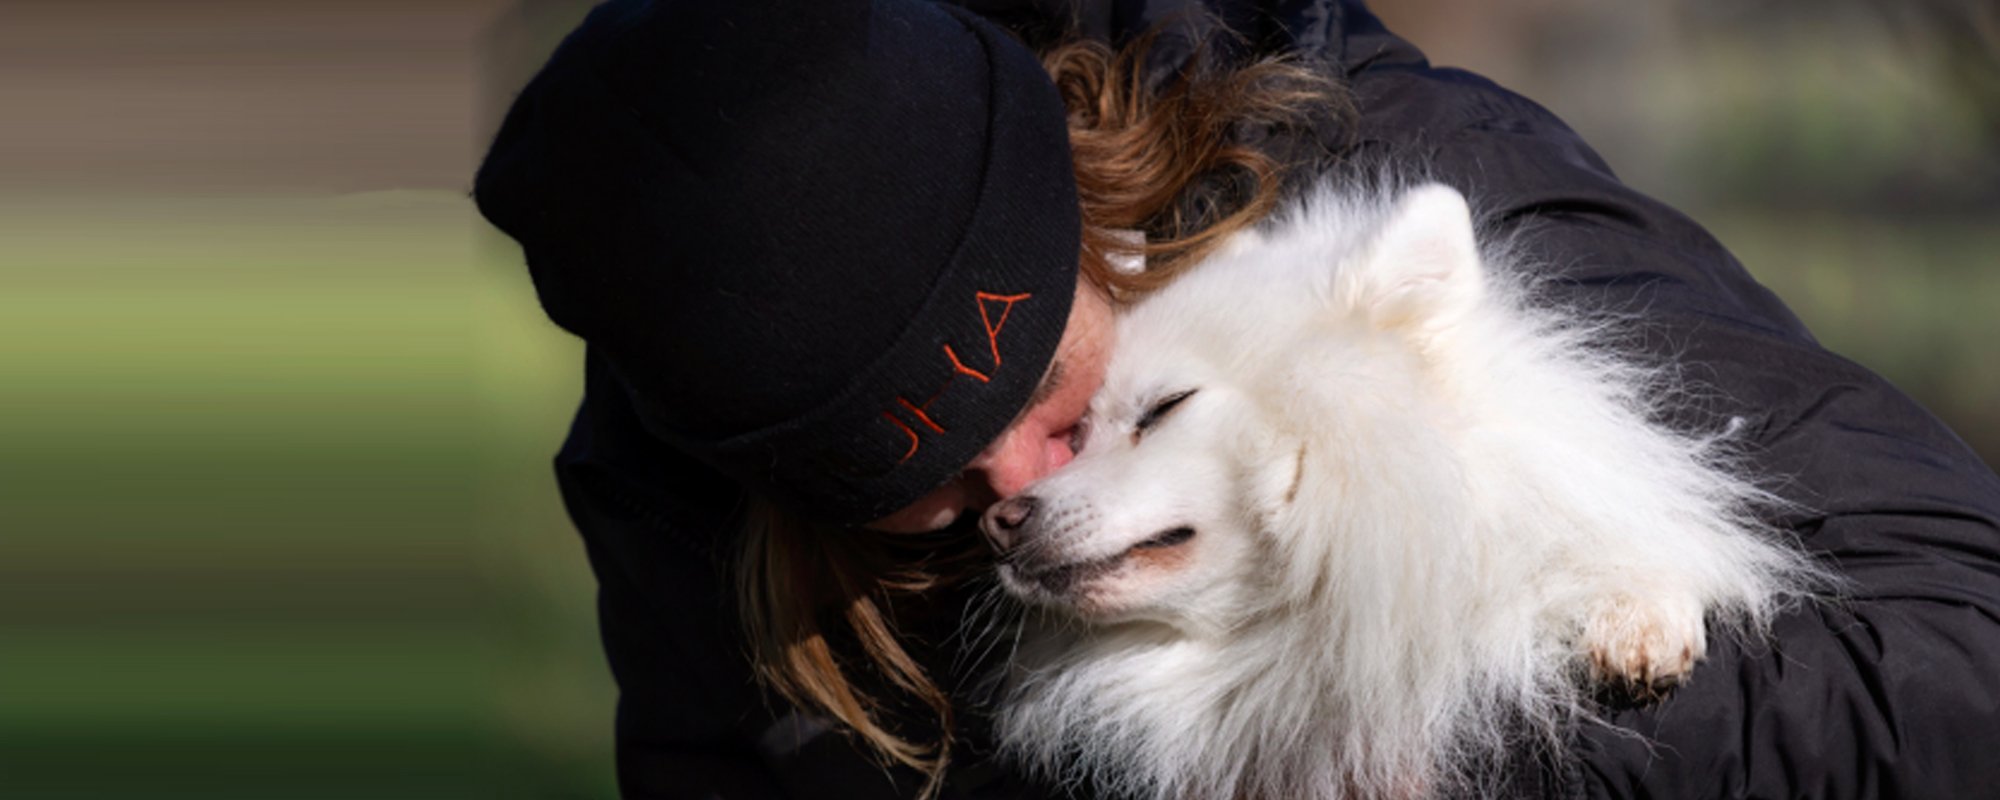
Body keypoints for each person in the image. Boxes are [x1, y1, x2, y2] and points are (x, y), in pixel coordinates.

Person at [474, 0, 2000, 798]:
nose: (1021, 495)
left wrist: (1480, 752)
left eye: (1043, 381)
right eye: (921, 478)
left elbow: (1962, 678)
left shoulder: (1401, 199)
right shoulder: (686, 503)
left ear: (1087, 224)